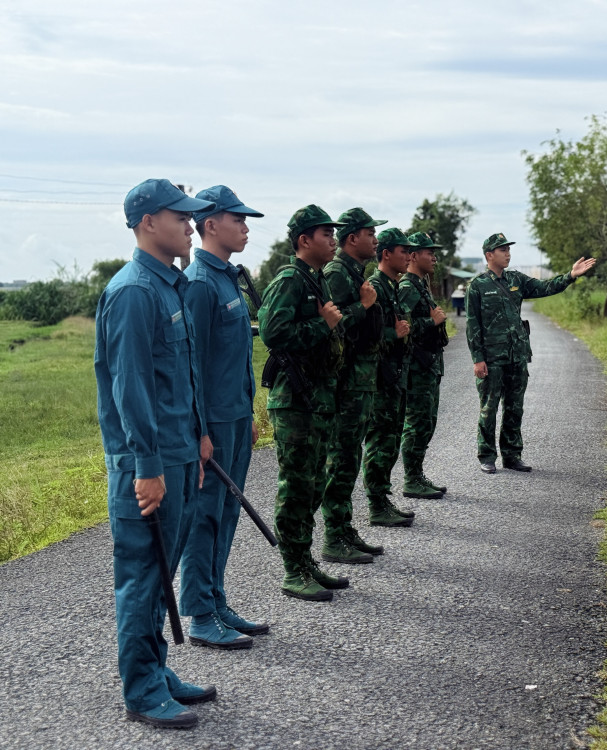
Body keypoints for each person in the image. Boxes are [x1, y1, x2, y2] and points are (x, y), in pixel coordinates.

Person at [95, 178, 217, 728]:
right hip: (148, 464)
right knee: (144, 576)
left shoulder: (167, 285)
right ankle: (142, 692)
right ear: (148, 222)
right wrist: (147, 468)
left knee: (163, 572)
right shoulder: (133, 292)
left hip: (177, 452)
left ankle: (157, 671)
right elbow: (131, 389)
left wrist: (197, 439)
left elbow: (179, 379)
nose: (190, 223)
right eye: (180, 215)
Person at [179, 185, 265, 648]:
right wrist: (201, 431)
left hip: (234, 418)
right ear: (211, 224)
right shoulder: (199, 283)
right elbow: (192, 364)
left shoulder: (228, 276)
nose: (246, 228)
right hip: (211, 424)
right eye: (239, 219)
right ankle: (199, 615)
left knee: (228, 511)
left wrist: (247, 414)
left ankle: (216, 599)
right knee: (205, 515)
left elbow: (234, 361)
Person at [258, 205, 348, 601]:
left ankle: (306, 560)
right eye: (326, 234)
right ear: (303, 241)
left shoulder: (316, 279)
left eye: (333, 234)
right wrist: (322, 324)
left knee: (313, 485)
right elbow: (272, 333)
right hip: (294, 399)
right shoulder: (290, 279)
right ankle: (293, 570)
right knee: (296, 486)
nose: (333, 241)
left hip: (316, 396)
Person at [466, 233, 596, 473]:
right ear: (489, 255)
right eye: (502, 249)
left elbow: (545, 287)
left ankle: (512, 456)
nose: (508, 253)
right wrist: (478, 359)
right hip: (492, 359)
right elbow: (473, 325)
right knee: (489, 407)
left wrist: (570, 276)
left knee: (515, 407)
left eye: (508, 249)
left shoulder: (516, 279)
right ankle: (486, 456)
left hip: (517, 355)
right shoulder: (478, 286)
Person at [321, 208, 401, 565]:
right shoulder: (338, 273)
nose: (375, 240)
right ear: (352, 238)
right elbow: (334, 328)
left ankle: (344, 529)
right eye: (370, 234)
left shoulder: (355, 271)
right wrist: (363, 306)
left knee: (350, 458)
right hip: (347, 383)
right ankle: (333, 537)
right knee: (341, 460)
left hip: (362, 380)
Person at [360, 227, 424, 516]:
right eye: (403, 251)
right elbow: (364, 332)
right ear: (386, 254)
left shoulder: (393, 286)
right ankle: (376, 504)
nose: (409, 256)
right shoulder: (375, 286)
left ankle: (383, 499)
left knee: (391, 439)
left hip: (395, 375)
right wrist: (393, 334)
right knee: (380, 441)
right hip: (380, 377)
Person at [398, 231, 449, 498]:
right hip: (417, 368)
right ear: (414, 255)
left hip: (429, 365)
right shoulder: (407, 287)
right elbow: (403, 326)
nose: (434, 258)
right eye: (429, 253)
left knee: (427, 422)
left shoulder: (420, 284)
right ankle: (411, 479)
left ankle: (417, 474)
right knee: (417, 422)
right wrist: (433, 322)